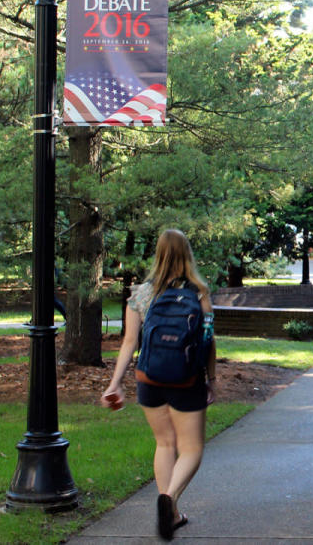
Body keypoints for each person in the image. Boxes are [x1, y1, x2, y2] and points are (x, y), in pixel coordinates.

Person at [101, 229, 216, 541]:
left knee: (164, 444)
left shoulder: (141, 294)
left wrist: (115, 384)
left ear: (158, 254)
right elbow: (207, 342)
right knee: (191, 448)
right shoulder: (200, 293)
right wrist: (212, 379)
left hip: (149, 380)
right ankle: (170, 500)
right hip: (187, 381)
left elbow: (129, 343)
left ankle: (173, 514)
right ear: (187, 254)